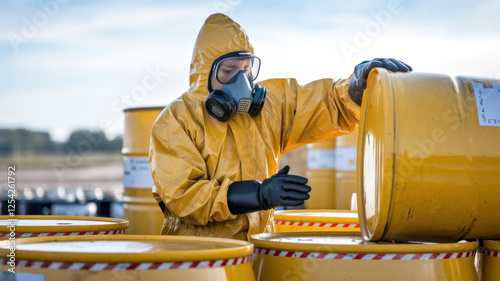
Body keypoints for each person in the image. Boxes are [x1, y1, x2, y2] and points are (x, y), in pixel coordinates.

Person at [149, 13, 411, 241]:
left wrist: (354, 88)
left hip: (260, 252)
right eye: (228, 71)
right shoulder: (176, 122)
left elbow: (323, 105)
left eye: (246, 69)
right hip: (203, 261)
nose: (241, 81)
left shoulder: (268, 108)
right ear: (205, 73)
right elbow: (185, 197)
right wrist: (259, 194)